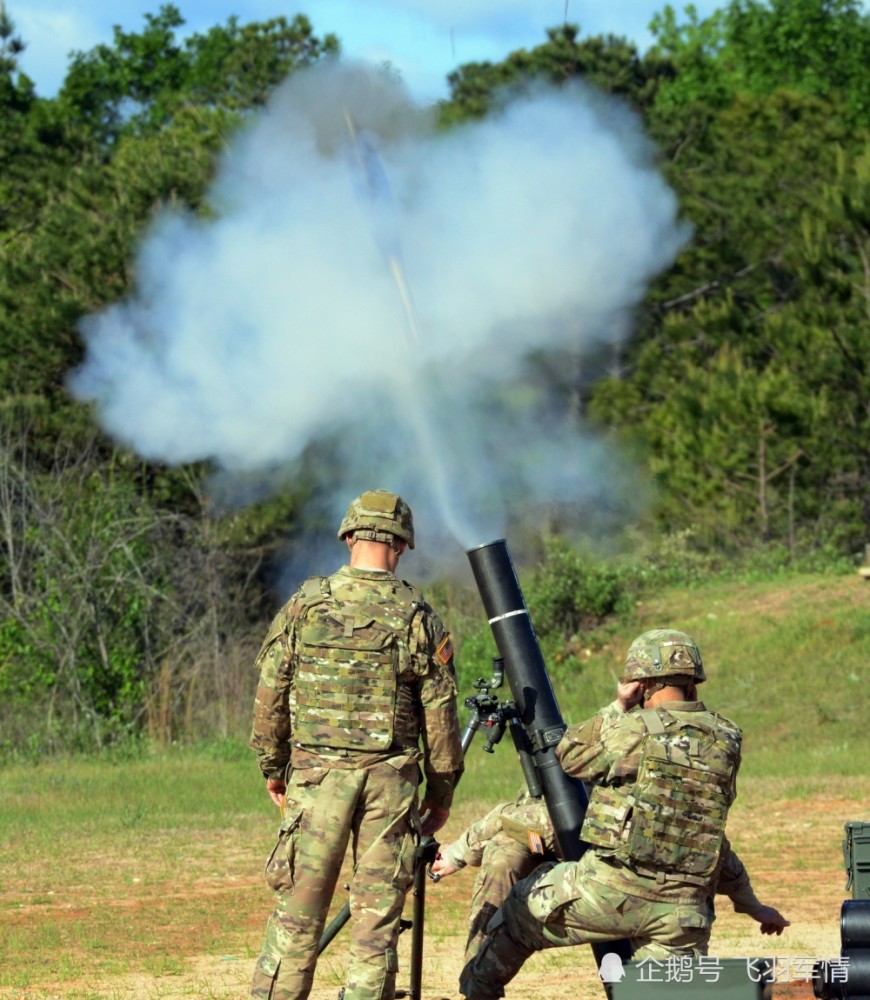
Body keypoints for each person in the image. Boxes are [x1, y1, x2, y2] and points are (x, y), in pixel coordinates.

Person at [459, 628, 790, 1000]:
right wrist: (752, 904)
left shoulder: (634, 729)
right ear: (693, 682)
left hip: (612, 893)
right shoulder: (726, 739)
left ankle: (476, 992)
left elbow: (570, 756)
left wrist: (617, 707)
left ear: (643, 683)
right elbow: (708, 839)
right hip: (684, 914)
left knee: (523, 903)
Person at [248, 489, 465, 1000]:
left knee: (296, 918)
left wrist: (273, 766)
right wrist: (440, 793)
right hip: (389, 789)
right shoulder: (418, 616)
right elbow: (441, 716)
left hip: (316, 780)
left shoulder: (305, 604)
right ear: (404, 545)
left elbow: (270, 695)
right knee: (375, 926)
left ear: (348, 536)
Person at [430, 788, 560, 963]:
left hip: (591, 850)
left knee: (506, 819)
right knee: (502, 860)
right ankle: (476, 981)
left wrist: (456, 854)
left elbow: (520, 818)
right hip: (539, 836)